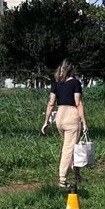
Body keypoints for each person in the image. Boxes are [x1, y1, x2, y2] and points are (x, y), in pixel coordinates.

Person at [41, 60, 88, 189]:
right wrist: (84, 121)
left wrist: (46, 121)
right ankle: (62, 179)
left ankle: (77, 175)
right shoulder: (75, 83)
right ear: (71, 70)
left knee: (72, 146)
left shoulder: (56, 84)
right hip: (71, 116)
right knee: (68, 149)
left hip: (60, 116)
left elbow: (51, 103)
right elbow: (77, 102)